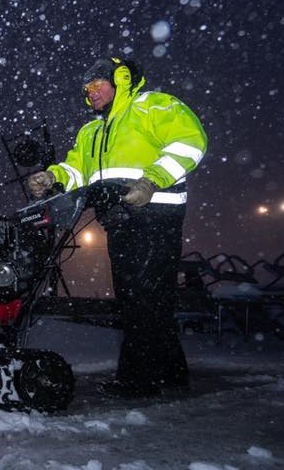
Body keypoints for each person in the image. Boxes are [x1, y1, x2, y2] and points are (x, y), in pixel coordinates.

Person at [27, 56, 207, 398]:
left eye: (97, 85)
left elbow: (190, 142)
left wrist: (152, 181)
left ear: (121, 79)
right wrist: (53, 176)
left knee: (141, 297)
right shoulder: (92, 130)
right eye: (86, 89)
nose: (90, 93)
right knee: (146, 297)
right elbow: (79, 170)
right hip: (118, 219)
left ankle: (138, 380)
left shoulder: (153, 106)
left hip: (154, 214)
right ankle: (170, 372)